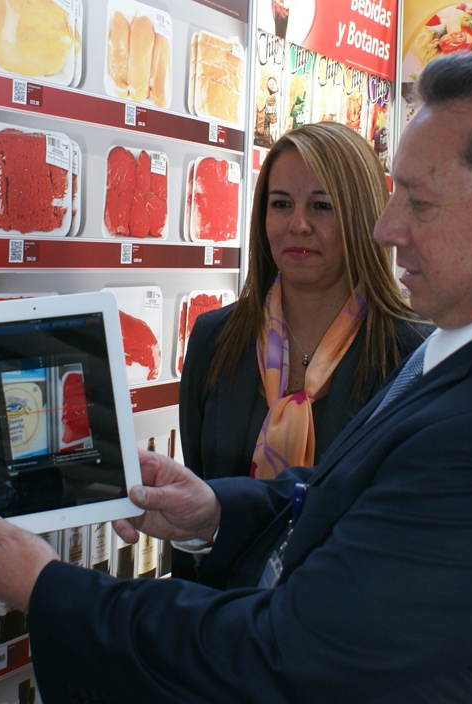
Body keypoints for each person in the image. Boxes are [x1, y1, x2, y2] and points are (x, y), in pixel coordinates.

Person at [0, 51, 472, 703]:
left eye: (420, 203)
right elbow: (355, 496)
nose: (387, 229)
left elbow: (292, 654)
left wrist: (49, 590)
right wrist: (215, 512)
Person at [180, 121, 428, 483]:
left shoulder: (413, 354)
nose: (298, 224)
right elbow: (198, 493)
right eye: (281, 204)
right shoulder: (214, 338)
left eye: (322, 206)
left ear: (364, 217)